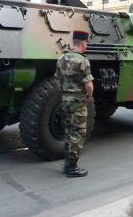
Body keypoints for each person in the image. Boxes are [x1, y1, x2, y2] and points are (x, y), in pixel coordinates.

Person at [55, 30, 94, 178]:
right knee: (78, 134)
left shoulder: (61, 59)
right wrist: (88, 95)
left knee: (68, 132)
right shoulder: (83, 61)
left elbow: (58, 80)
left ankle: (67, 164)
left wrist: (65, 91)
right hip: (78, 102)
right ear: (83, 43)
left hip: (65, 101)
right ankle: (73, 168)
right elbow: (89, 85)